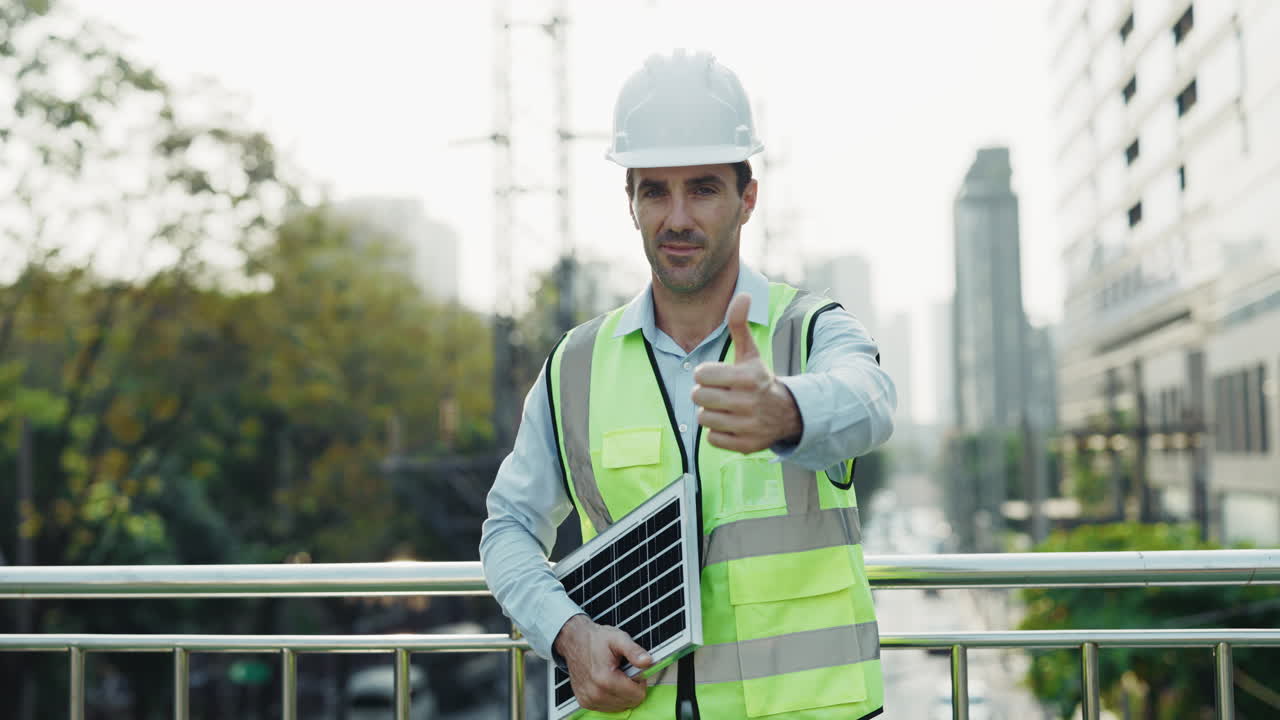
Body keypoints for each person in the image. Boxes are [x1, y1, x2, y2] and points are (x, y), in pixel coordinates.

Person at [480, 49, 896, 720]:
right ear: (631, 201)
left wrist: (786, 410)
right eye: (655, 190)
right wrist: (567, 633)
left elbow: (872, 402)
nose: (677, 218)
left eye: (702, 188)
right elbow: (507, 527)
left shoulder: (810, 330)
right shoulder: (576, 364)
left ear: (747, 198)